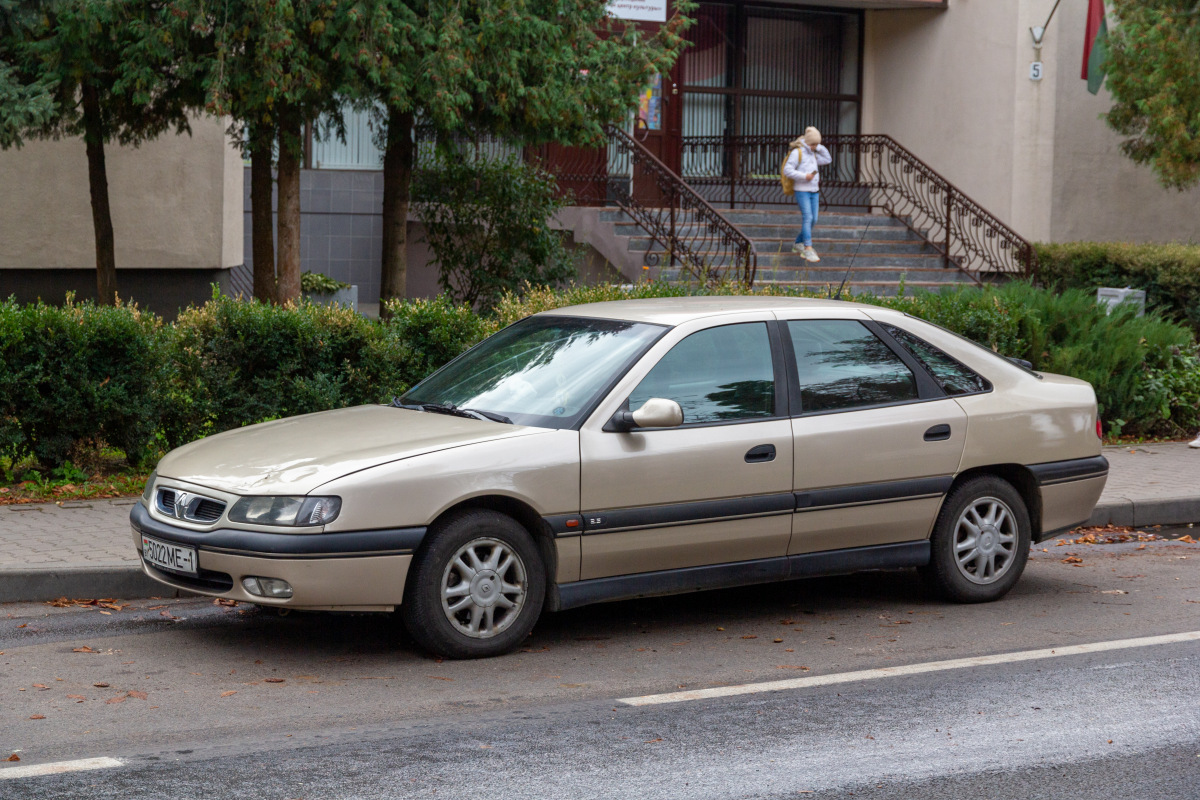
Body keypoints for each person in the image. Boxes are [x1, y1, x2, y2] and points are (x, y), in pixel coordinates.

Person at [782, 126, 832, 262]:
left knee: (814, 219)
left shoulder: (814, 153)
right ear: (807, 142)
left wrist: (819, 147)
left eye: (816, 144)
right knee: (808, 217)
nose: (815, 146)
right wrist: (805, 176)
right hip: (802, 190)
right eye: (813, 144)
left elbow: (828, 159)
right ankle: (808, 248)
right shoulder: (797, 153)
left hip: (814, 191)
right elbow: (787, 170)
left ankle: (798, 242)